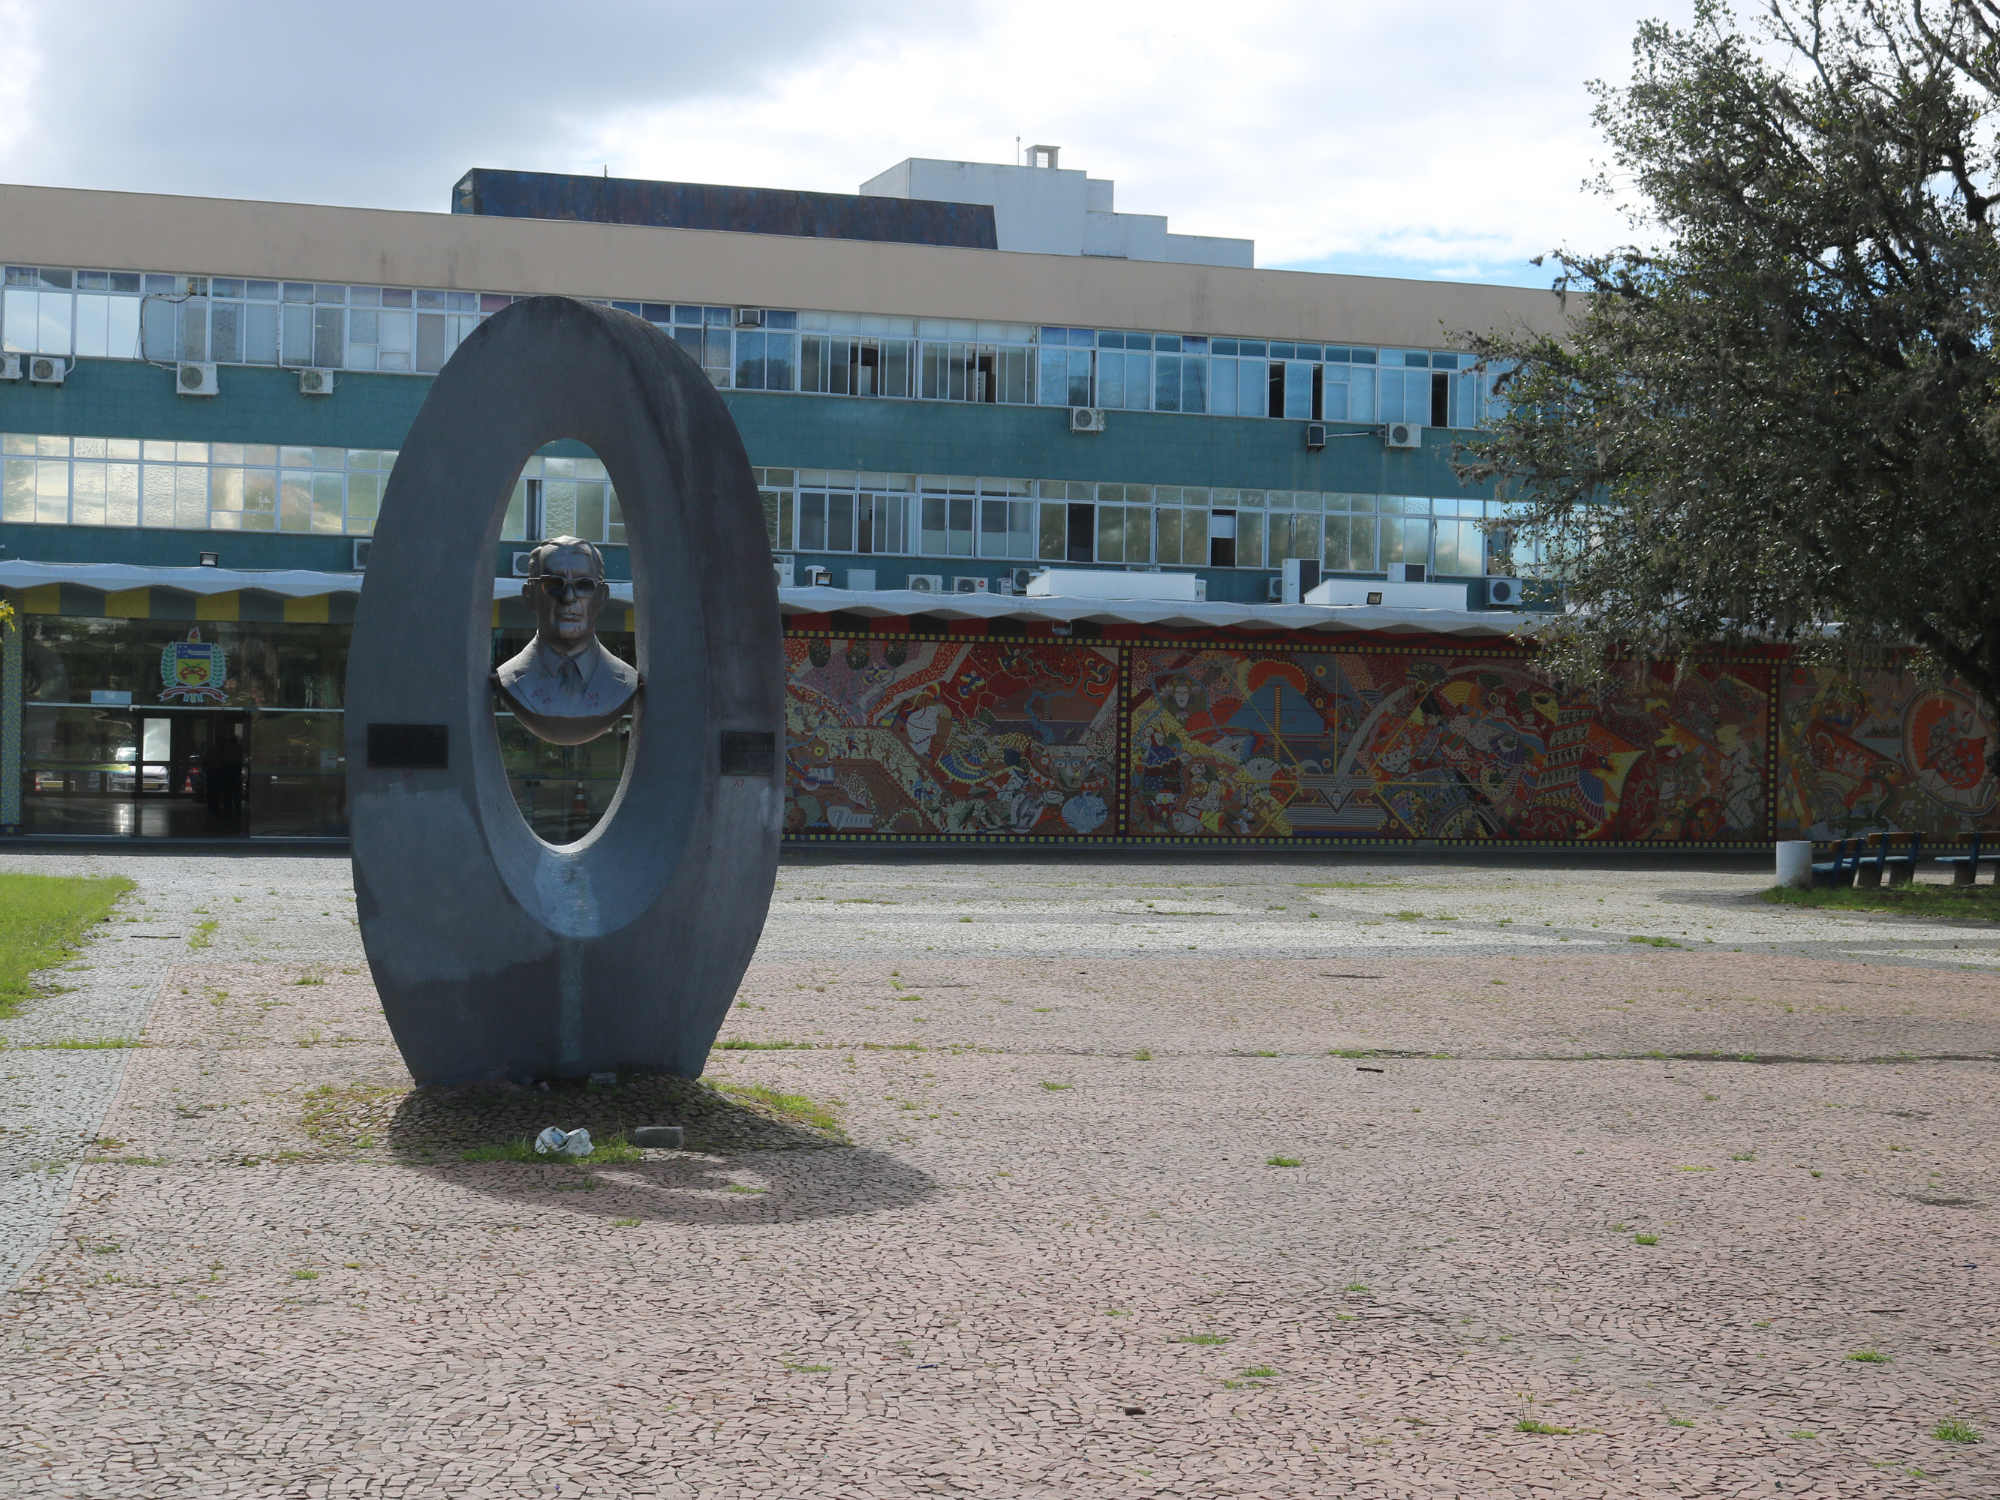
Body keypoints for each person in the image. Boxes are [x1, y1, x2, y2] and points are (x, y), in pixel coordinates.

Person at [493, 535, 640, 746]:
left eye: (584, 585)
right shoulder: (510, 678)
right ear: (529, 596)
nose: (569, 597)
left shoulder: (626, 681)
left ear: (602, 597)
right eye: (553, 583)